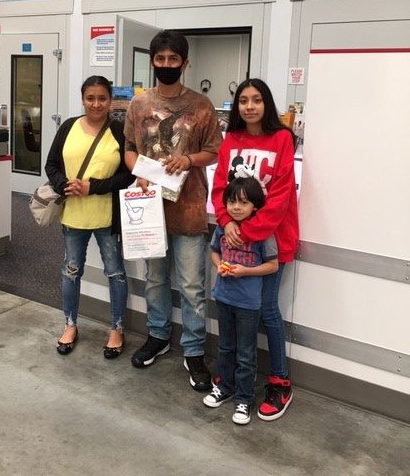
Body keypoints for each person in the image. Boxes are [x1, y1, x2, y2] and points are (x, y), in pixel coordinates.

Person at [124, 30, 222, 391]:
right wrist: (141, 174)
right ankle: (158, 335)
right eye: (160, 59)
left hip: (190, 209)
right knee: (155, 279)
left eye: (173, 59)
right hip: (150, 209)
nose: (166, 65)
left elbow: (214, 151)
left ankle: (194, 351)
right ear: (152, 61)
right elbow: (130, 149)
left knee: (193, 287)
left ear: (185, 62)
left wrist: (189, 159)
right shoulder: (138, 104)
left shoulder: (201, 106)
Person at [211, 78, 299, 421]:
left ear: (267, 104)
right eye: (244, 100)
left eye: (257, 100)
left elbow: (278, 199)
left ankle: (280, 381)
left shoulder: (281, 139)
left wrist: (244, 231)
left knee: (266, 311)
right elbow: (220, 186)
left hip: (269, 239)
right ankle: (232, 378)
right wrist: (226, 221)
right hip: (233, 238)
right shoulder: (230, 140)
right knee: (232, 310)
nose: (250, 106)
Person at [45, 75, 134, 358]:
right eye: (90, 98)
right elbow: (51, 164)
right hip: (73, 216)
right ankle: (70, 325)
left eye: (102, 98)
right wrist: (63, 184)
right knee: (71, 272)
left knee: (116, 273)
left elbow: (128, 175)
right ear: (82, 99)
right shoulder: (69, 127)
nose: (96, 104)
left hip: (108, 217)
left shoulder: (119, 130)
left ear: (110, 100)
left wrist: (92, 187)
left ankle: (116, 328)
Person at [204, 176, 278, 425]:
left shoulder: (261, 233)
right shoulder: (223, 229)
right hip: (223, 296)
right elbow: (214, 251)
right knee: (225, 347)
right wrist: (219, 266)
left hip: (248, 303)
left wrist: (245, 271)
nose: (236, 207)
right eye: (232, 201)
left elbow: (272, 265)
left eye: (243, 202)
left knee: (246, 353)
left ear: (255, 206)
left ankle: (244, 398)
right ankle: (225, 387)